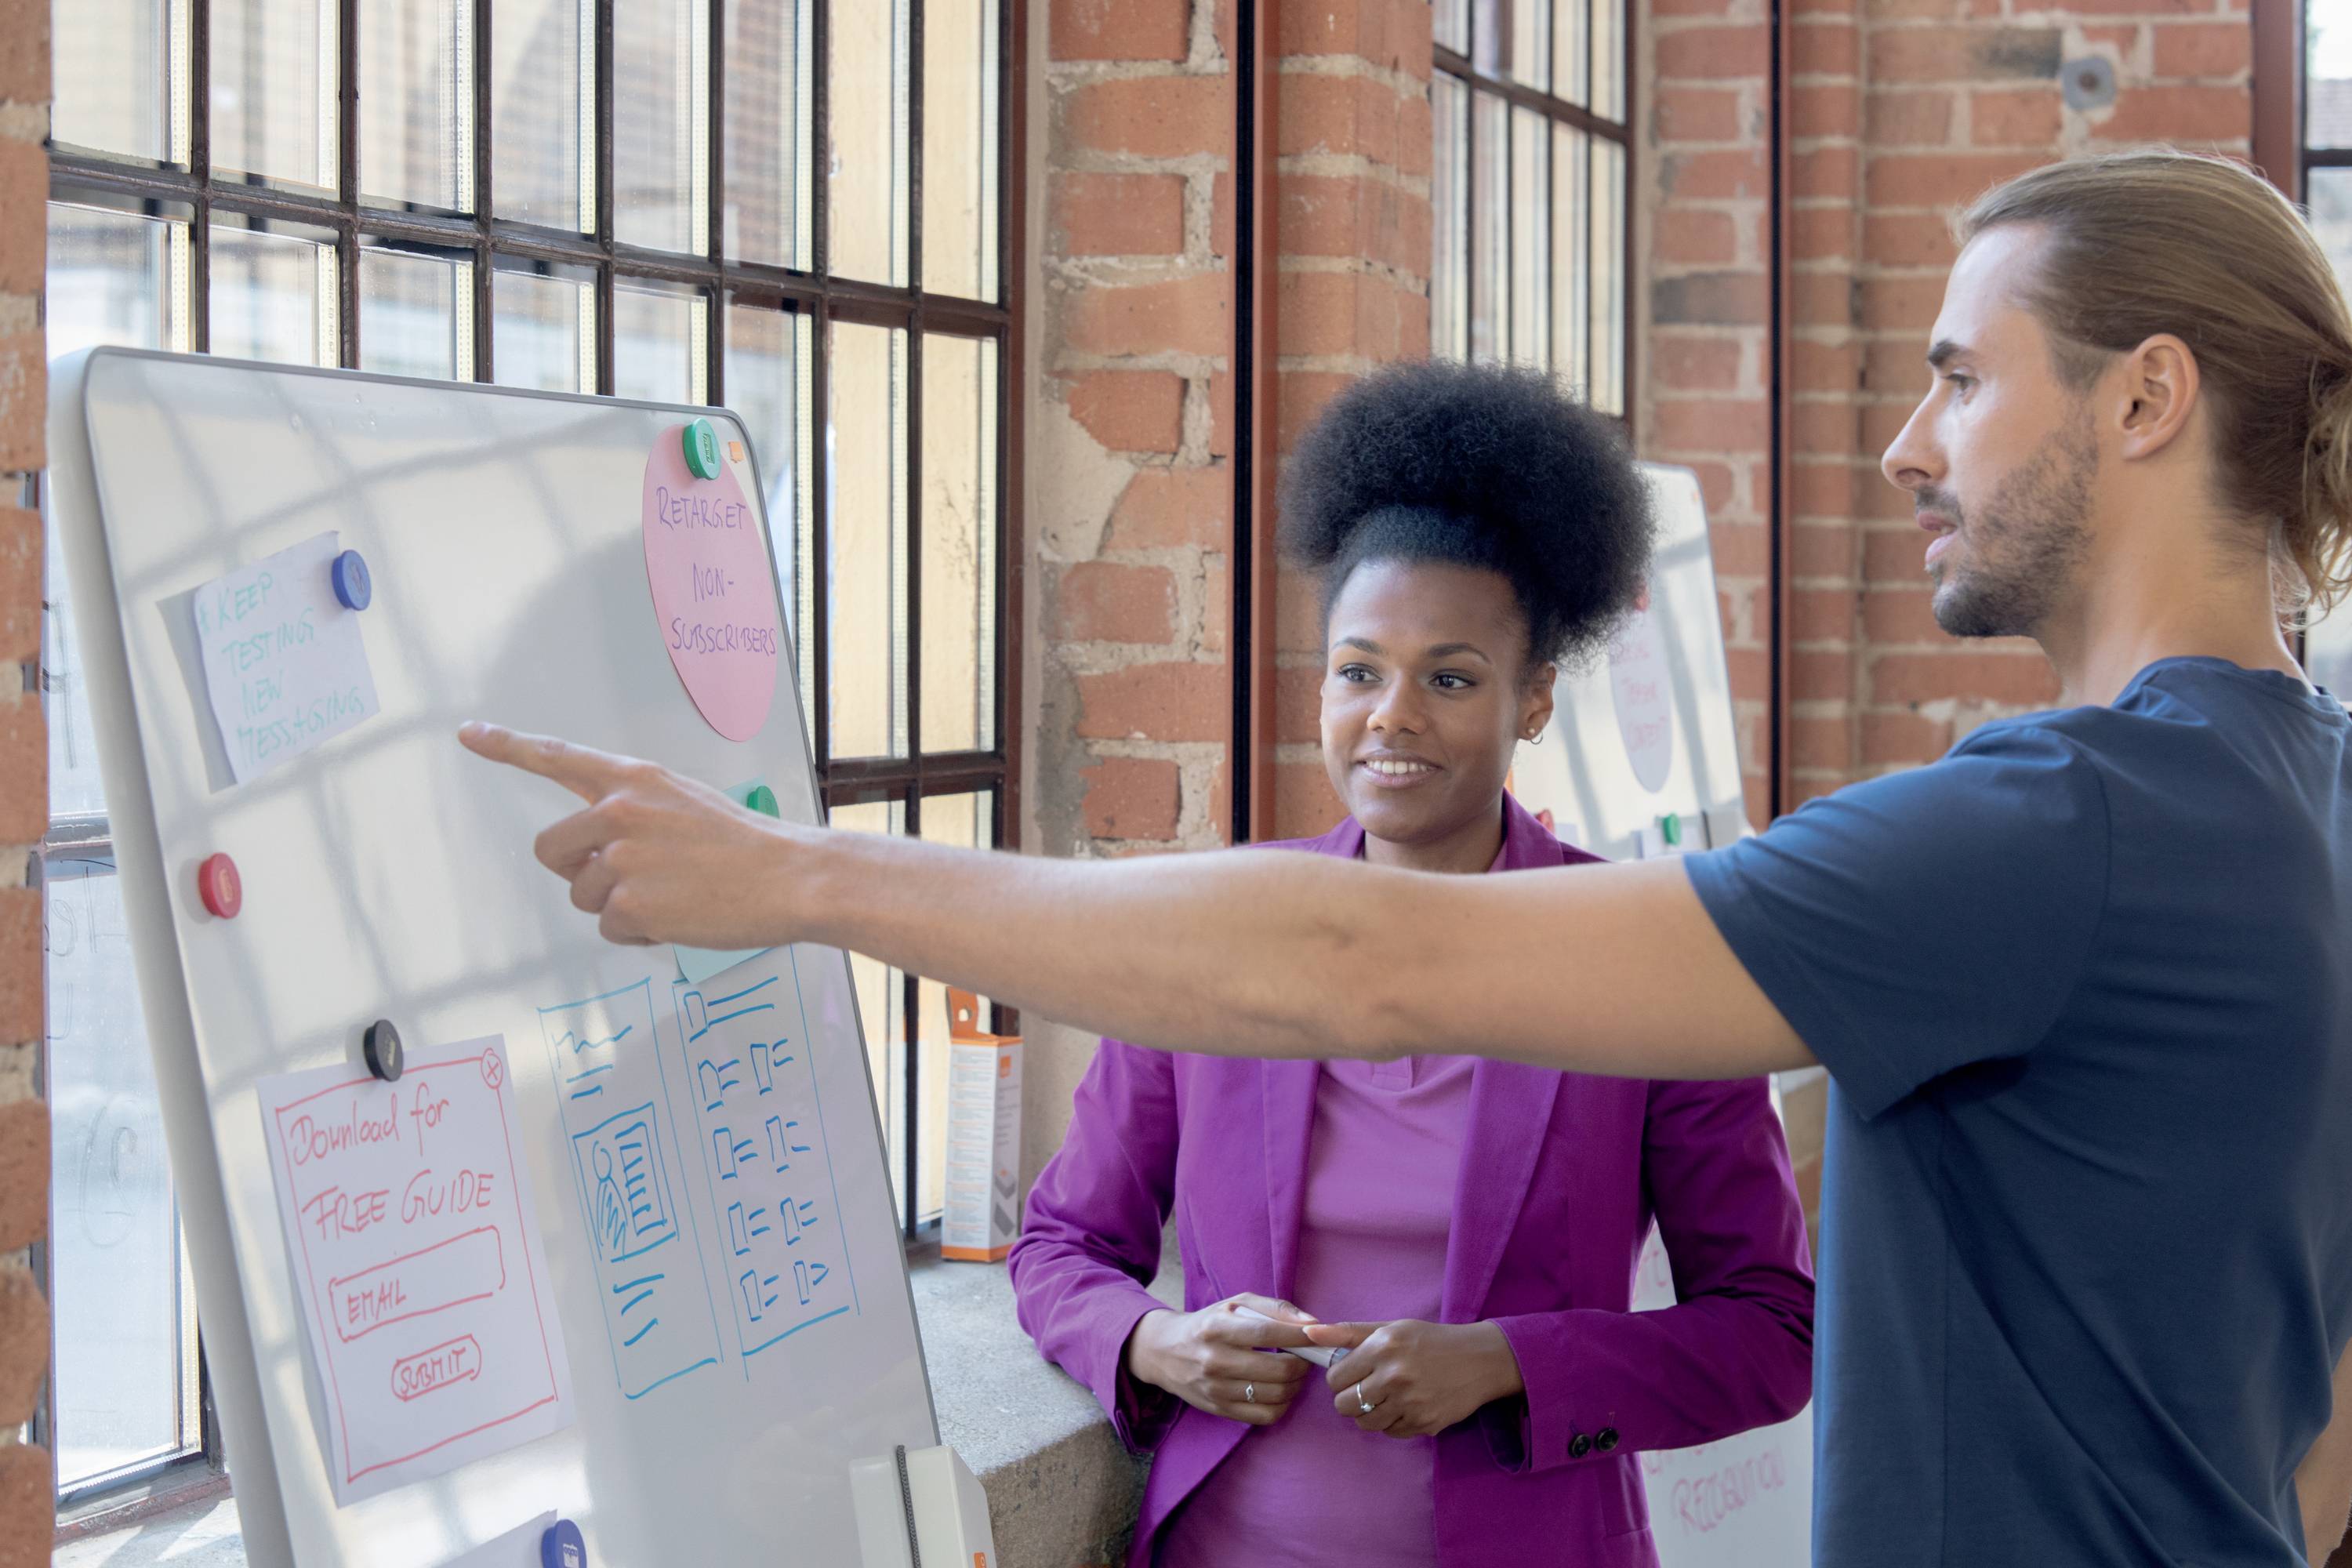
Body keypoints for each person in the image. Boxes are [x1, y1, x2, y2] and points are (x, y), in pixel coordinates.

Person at [462, 149, 2352, 1566]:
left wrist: (803, 882)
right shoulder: (2301, 791)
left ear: (2144, 398)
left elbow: (1371, 960)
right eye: (1359, 669)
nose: (1904, 443)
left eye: (1960, 373)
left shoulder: (2058, 820)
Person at [1006, 363, 1813, 1568]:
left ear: (1533, 700)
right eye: (1358, 670)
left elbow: (1771, 1334)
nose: (1392, 715)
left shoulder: (1641, 950)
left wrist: (1507, 1364)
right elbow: (1062, 1244)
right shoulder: (1226, 934)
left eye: (1450, 677)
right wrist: (1152, 1342)